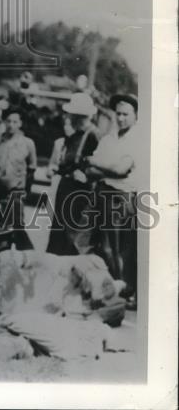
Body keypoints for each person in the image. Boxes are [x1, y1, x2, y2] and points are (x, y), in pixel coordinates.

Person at [87, 92, 140, 307]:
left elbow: (121, 169)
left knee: (119, 248)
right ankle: (110, 288)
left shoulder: (137, 139)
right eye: (117, 114)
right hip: (102, 192)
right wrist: (104, 167)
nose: (120, 119)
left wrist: (96, 161)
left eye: (125, 114)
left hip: (121, 196)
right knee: (101, 244)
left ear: (135, 115)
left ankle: (124, 290)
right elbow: (90, 171)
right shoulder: (109, 139)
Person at [46, 92, 100, 256]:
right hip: (66, 186)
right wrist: (58, 169)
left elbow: (100, 164)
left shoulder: (93, 135)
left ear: (81, 116)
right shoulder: (74, 136)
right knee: (58, 229)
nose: (69, 118)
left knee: (72, 231)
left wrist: (87, 176)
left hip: (80, 190)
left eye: (73, 115)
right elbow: (65, 161)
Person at [0, 108, 37, 230]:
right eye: (8, 121)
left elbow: (31, 169)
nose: (11, 125)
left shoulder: (28, 143)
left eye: (15, 122)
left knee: (16, 227)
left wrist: (26, 190)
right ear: (3, 121)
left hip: (16, 192)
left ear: (20, 123)